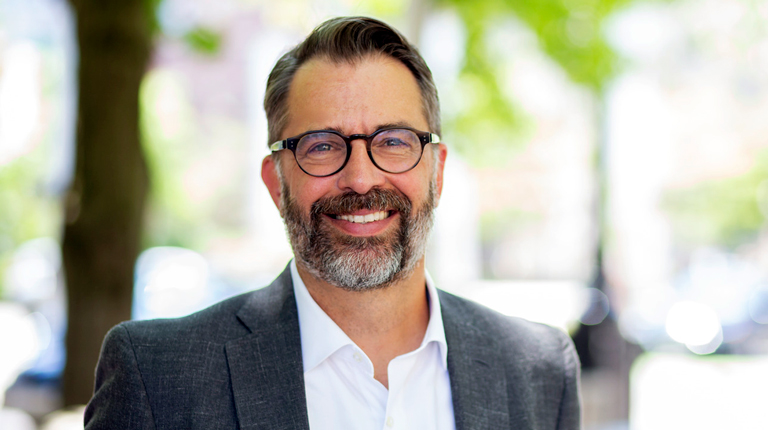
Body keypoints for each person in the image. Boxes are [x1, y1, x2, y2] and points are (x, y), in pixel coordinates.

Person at [84, 16, 581, 430]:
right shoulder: (157, 378)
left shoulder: (537, 372)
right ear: (276, 183)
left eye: (392, 141)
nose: (361, 178)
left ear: (437, 171)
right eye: (321, 145)